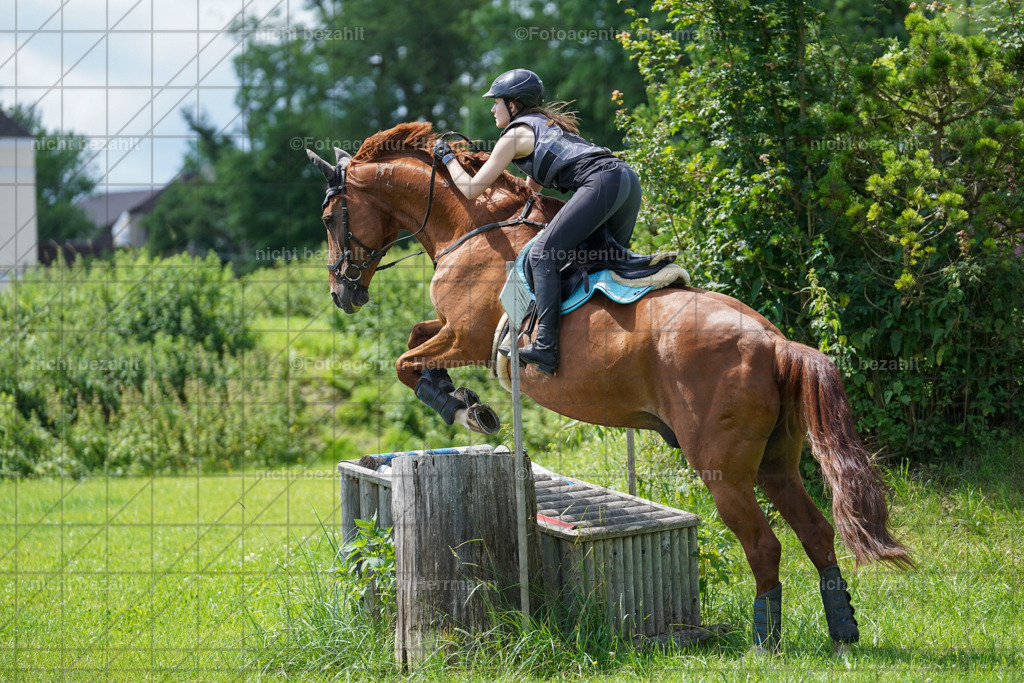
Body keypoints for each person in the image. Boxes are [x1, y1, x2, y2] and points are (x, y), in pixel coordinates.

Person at [432, 68, 642, 376]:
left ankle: (545, 346)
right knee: (595, 261)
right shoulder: (547, 126)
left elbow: (471, 189)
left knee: (542, 254)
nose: (492, 109)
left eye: (497, 102)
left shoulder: (515, 135)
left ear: (514, 105)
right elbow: (531, 190)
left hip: (602, 183)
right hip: (626, 182)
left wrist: (448, 158)